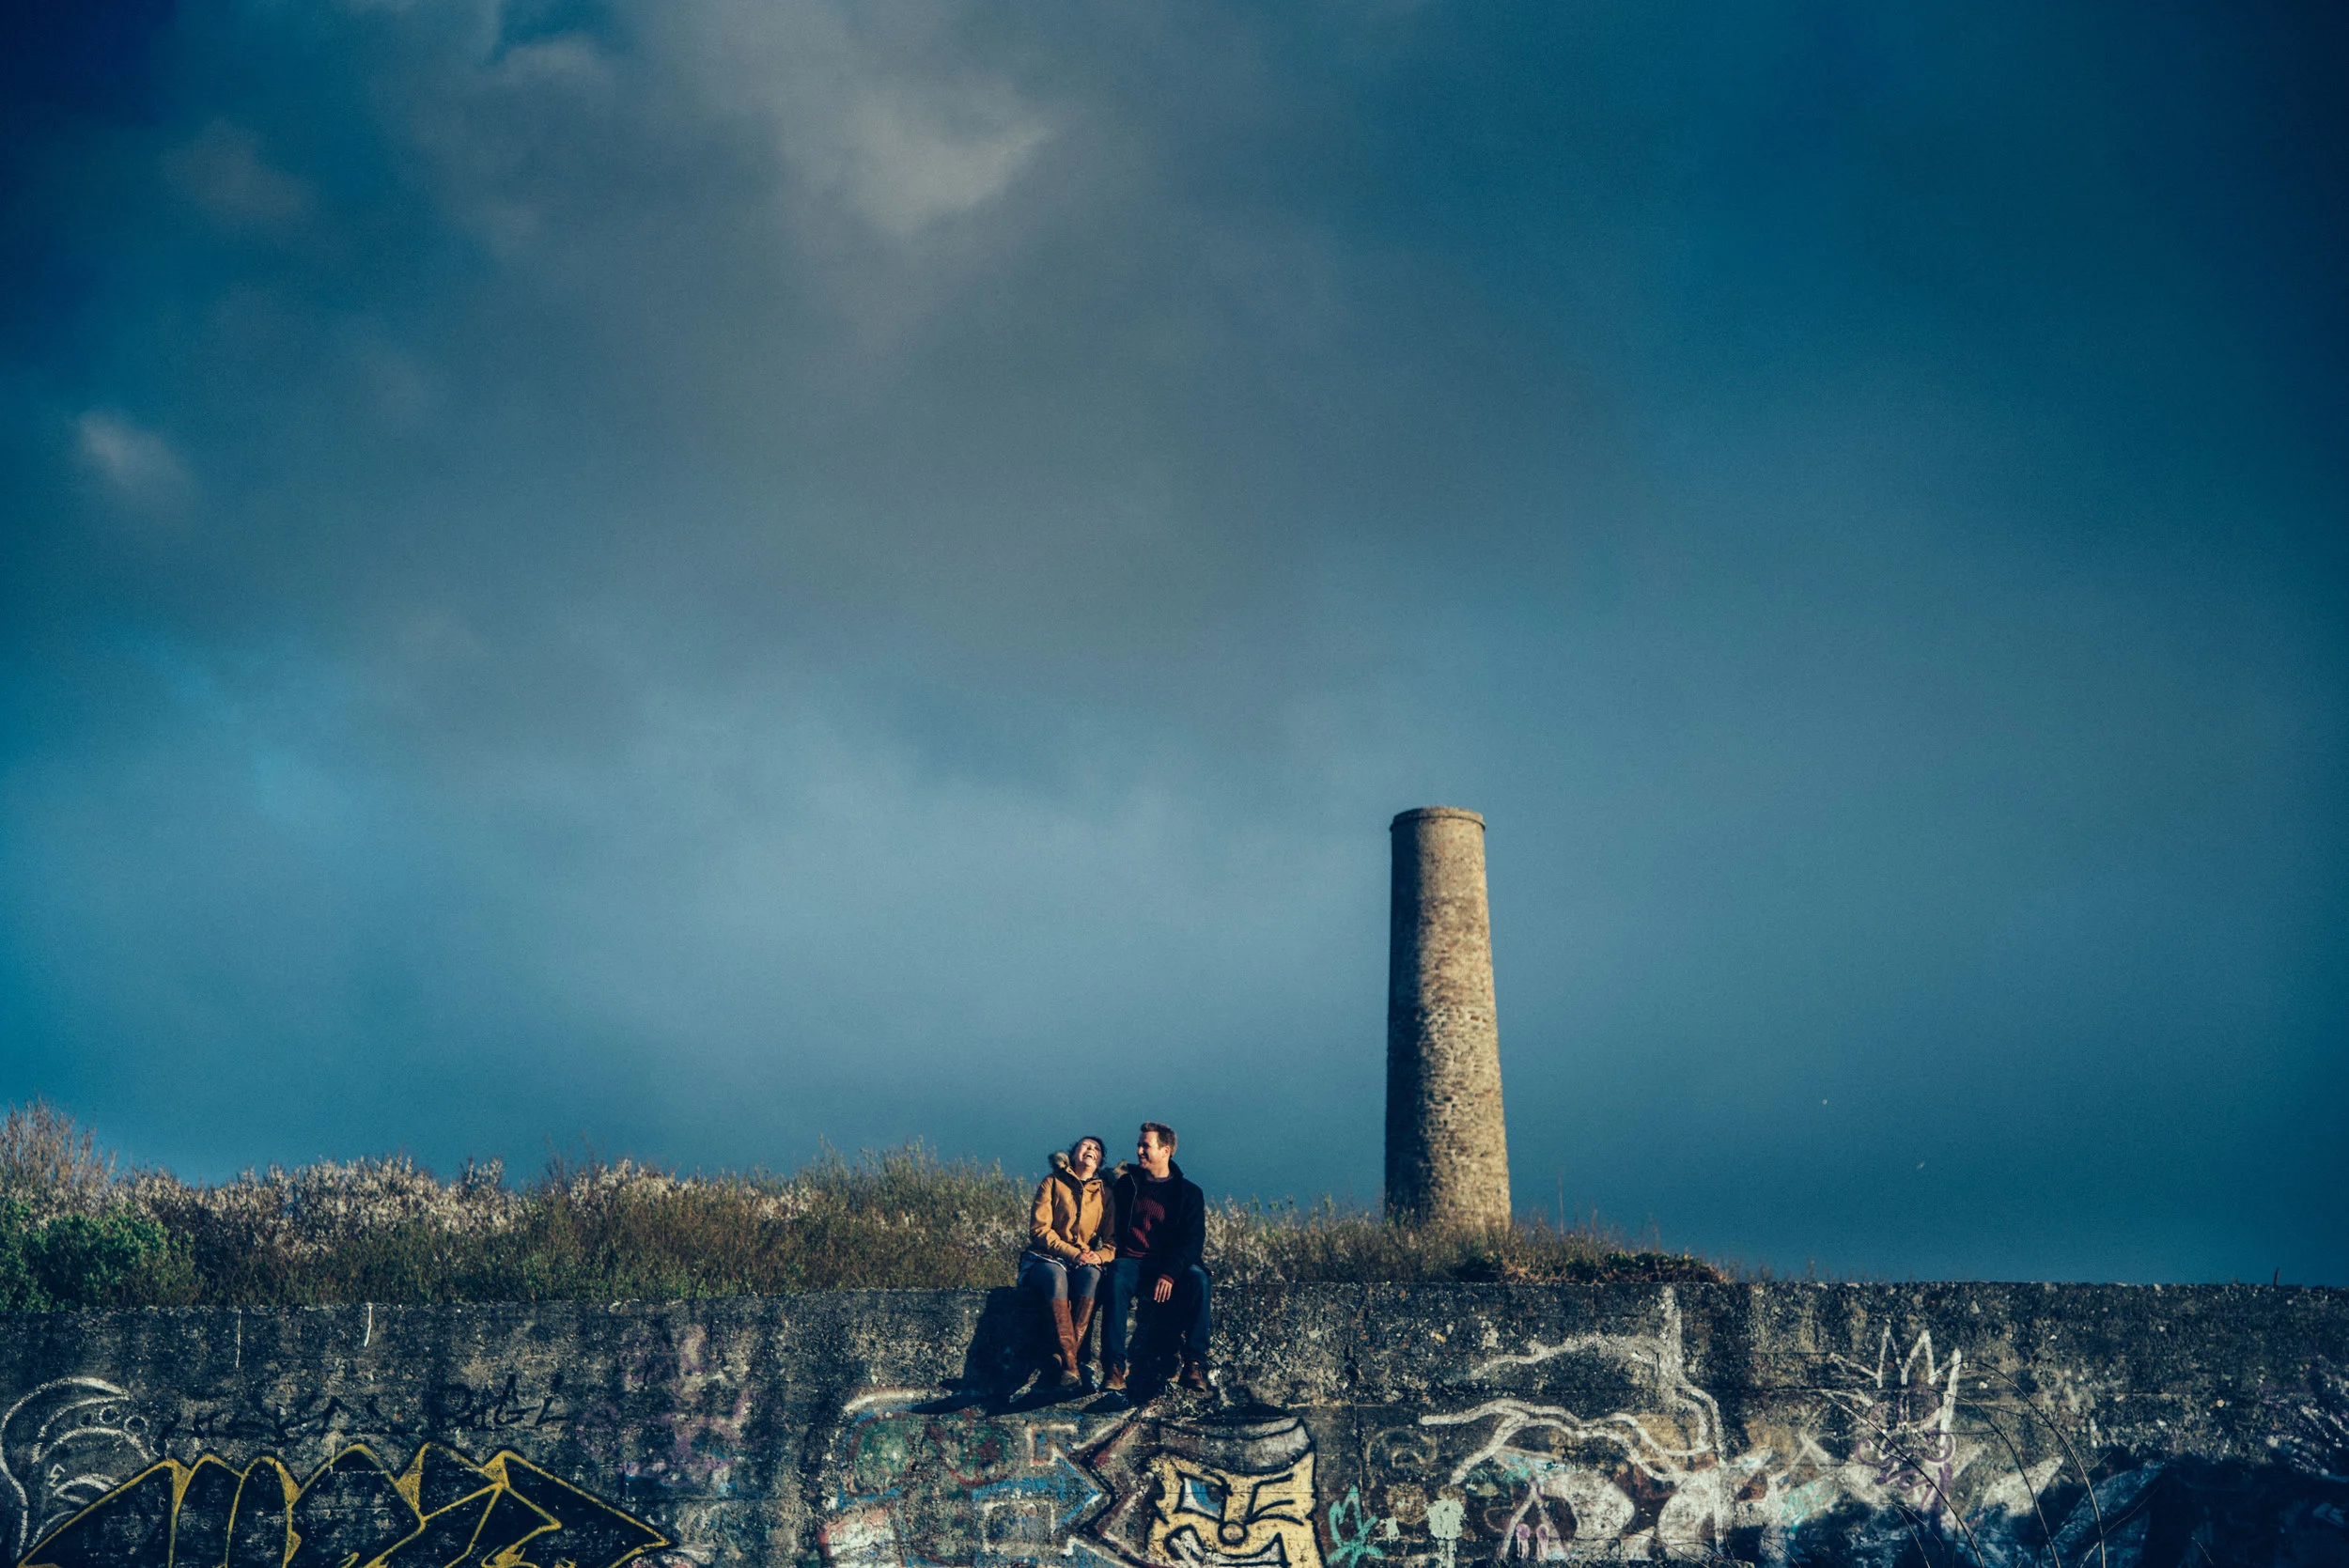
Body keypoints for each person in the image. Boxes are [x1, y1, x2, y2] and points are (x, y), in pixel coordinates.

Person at [1102, 1122, 1211, 1392]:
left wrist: (1169, 1273)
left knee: (1200, 1281)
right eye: (1139, 1145)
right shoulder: (1126, 1185)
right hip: (1132, 1261)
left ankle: (1194, 1364)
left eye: (1146, 1146)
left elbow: (1193, 1241)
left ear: (1165, 1151)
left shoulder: (1189, 1193)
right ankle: (1114, 1367)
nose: (1139, 1151)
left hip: (1170, 1264)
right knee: (1115, 1276)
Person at [1022, 1135, 1114, 1389]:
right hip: (1046, 1257)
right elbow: (1039, 1230)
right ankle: (1071, 1364)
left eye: (1096, 1148)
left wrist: (1100, 1256)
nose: (1090, 1150)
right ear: (1073, 1154)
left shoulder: (1106, 1194)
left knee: (1093, 1276)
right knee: (1056, 1276)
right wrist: (1072, 1253)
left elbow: (1113, 1241)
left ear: (1100, 1161)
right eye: (1085, 1146)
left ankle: (1060, 1356)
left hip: (1084, 1261)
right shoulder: (1052, 1182)